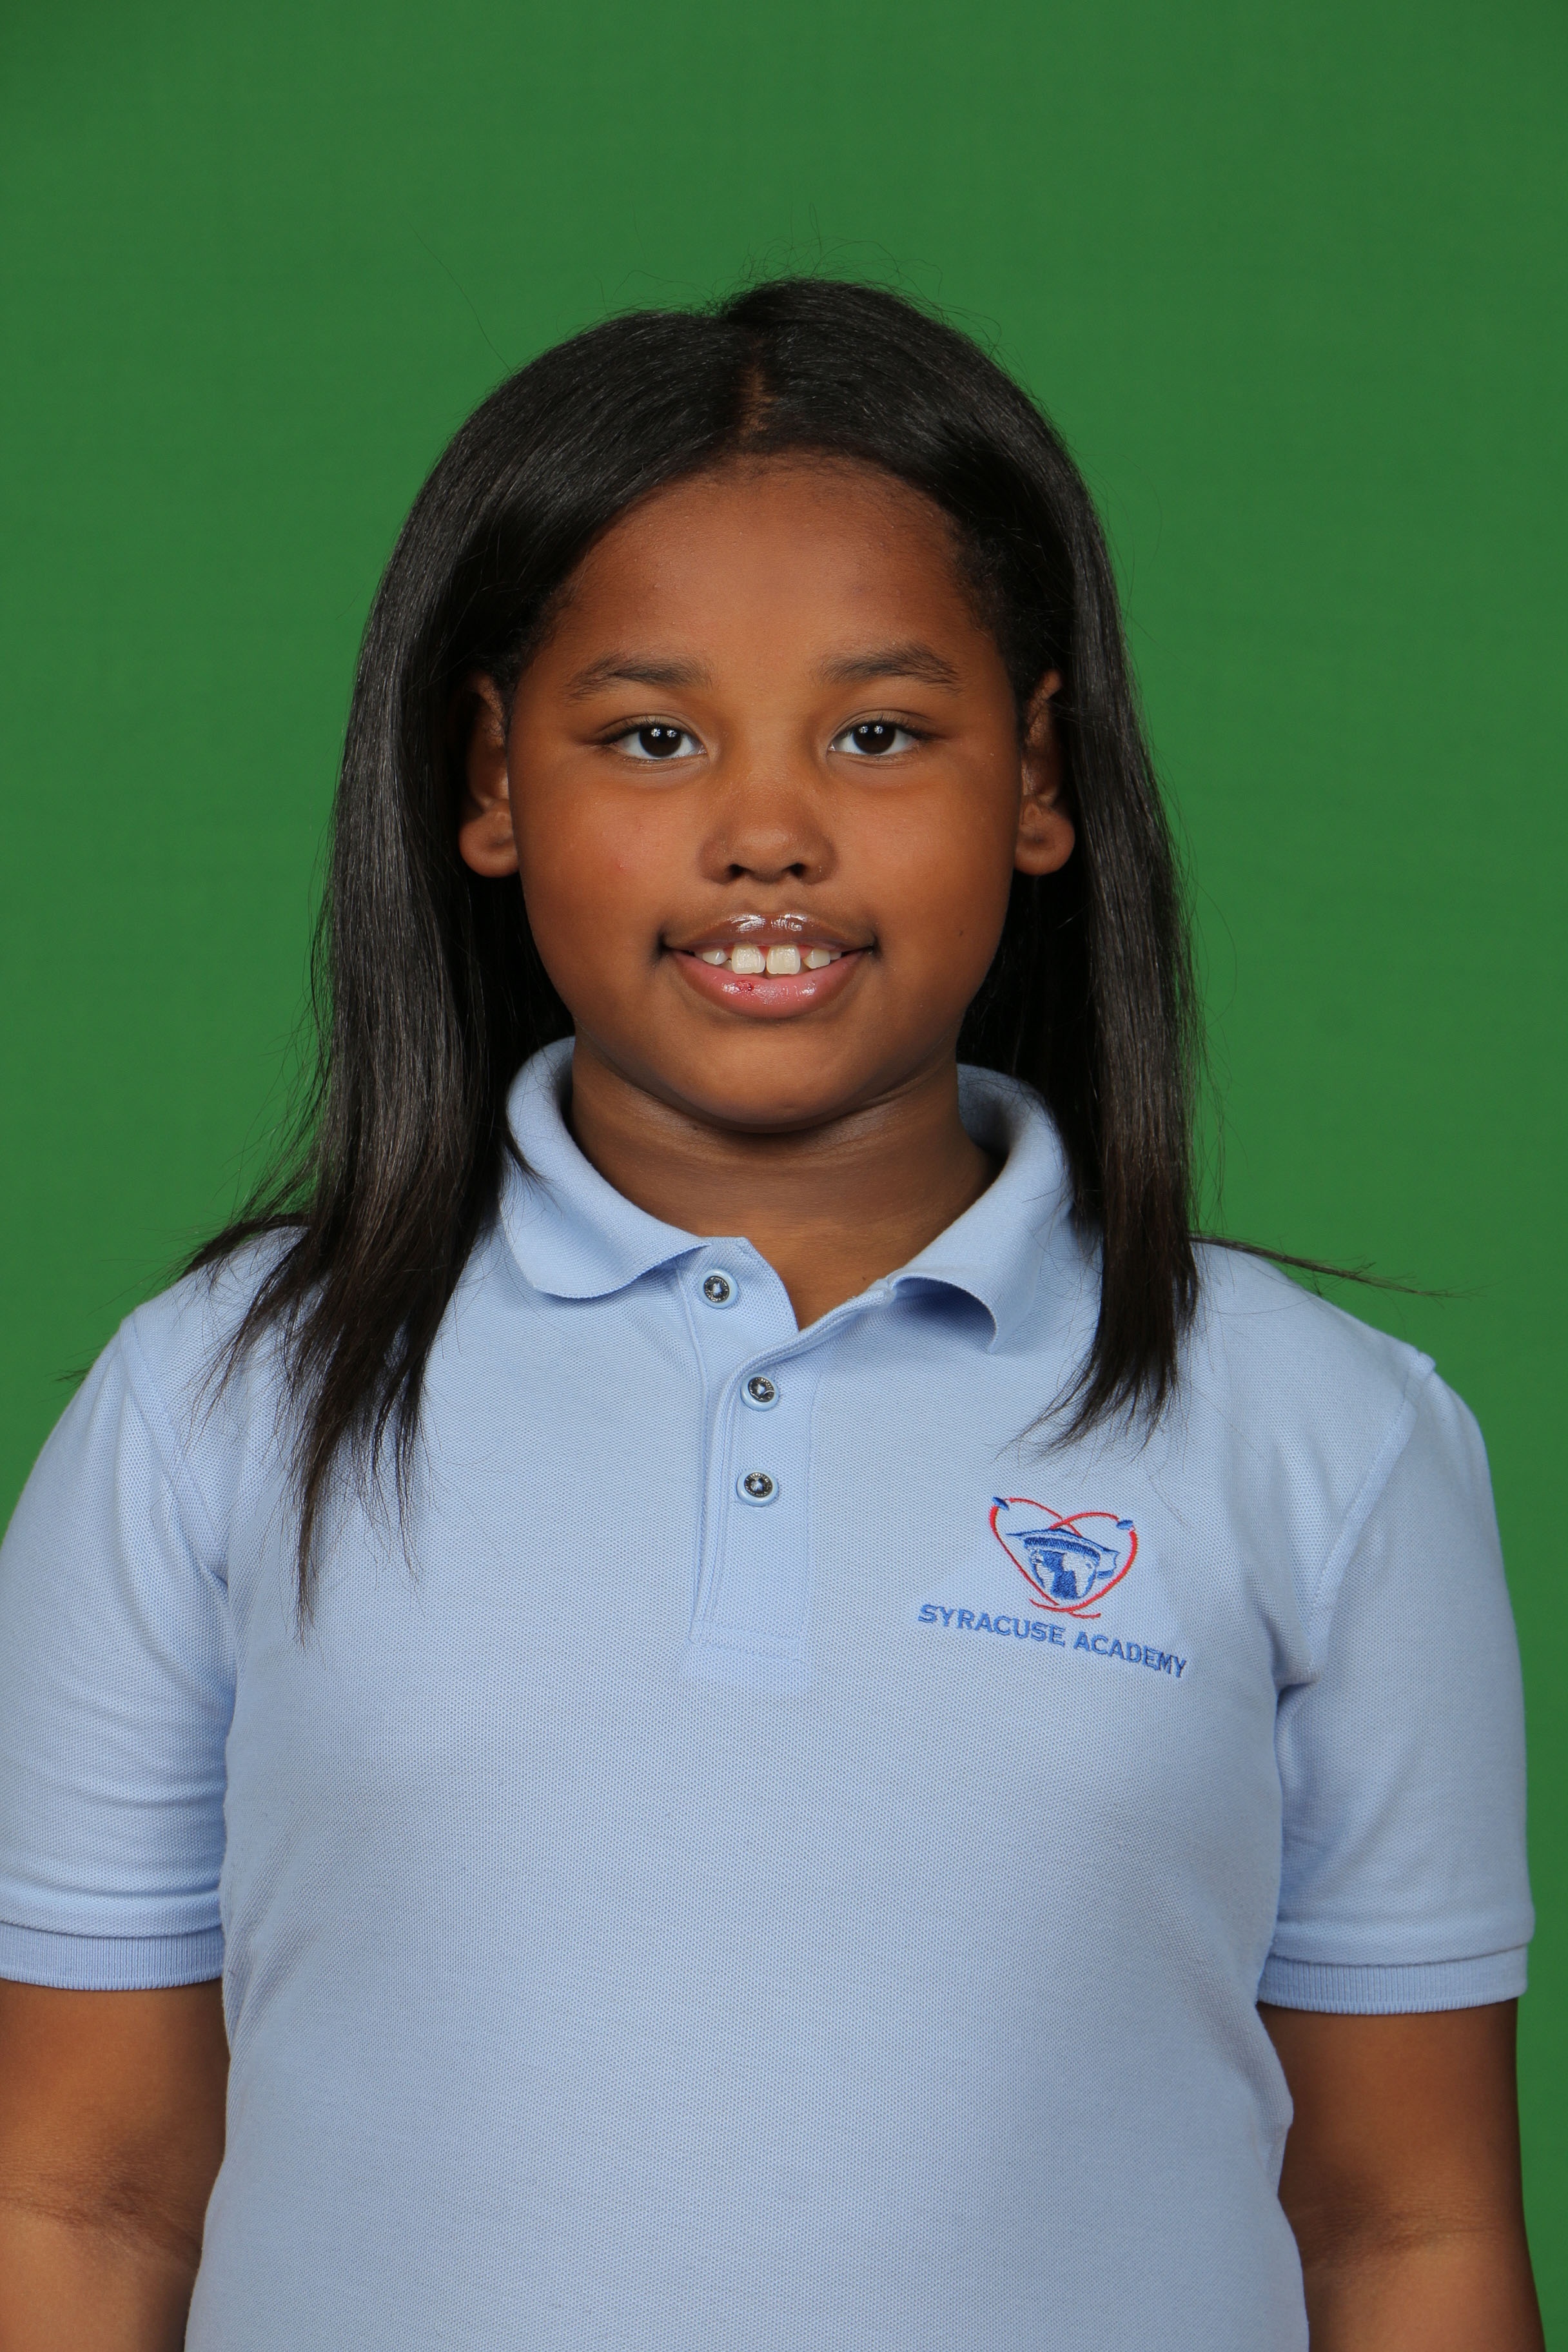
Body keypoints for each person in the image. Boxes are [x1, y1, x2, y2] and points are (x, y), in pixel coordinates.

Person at [0, 278, 1541, 2351]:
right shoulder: (213, 1407)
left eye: (879, 733)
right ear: (490, 781)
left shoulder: (1324, 1435)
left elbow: (1406, 2226)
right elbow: (79, 2199)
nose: (767, 835)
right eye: (652, 736)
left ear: (1038, 777)